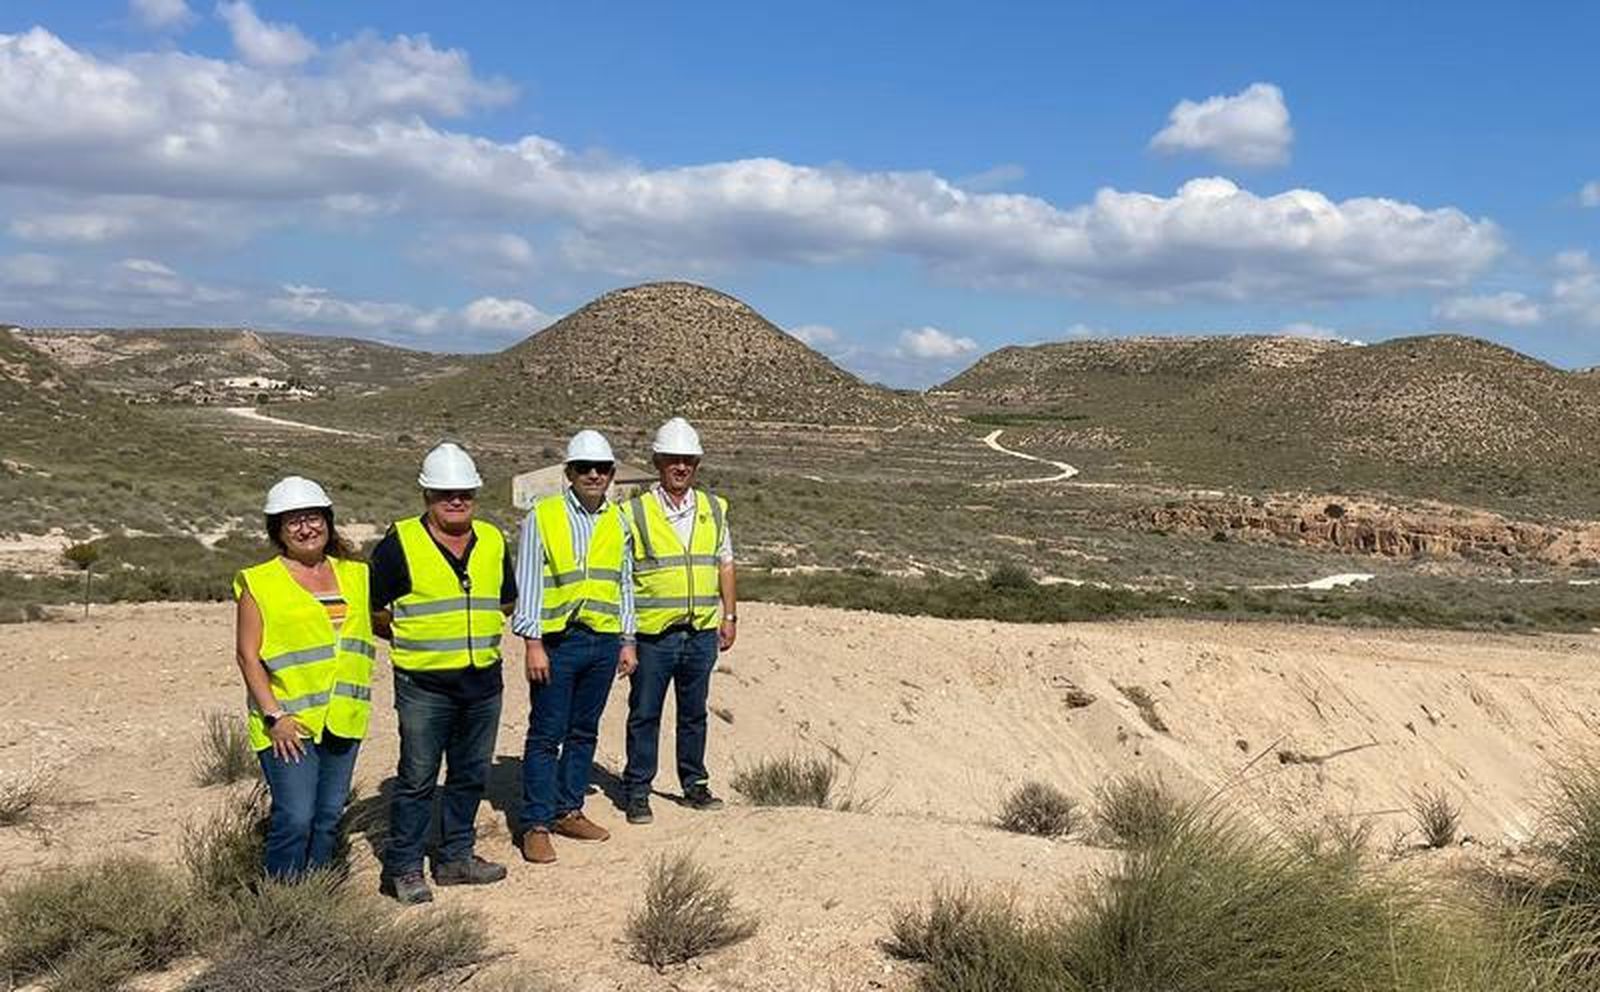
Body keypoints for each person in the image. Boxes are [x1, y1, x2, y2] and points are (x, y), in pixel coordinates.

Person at [369, 442, 517, 904]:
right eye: (443, 493)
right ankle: (405, 867)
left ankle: (456, 858)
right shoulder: (401, 542)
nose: (455, 500)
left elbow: (507, 599)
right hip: (425, 686)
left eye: (464, 493)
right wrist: (417, 640)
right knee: (416, 779)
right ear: (426, 496)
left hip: (482, 682)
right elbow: (375, 611)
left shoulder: (492, 540)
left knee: (470, 775)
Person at [233, 476, 375, 880]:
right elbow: (247, 656)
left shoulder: (358, 576)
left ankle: (315, 893)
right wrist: (275, 716)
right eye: (293, 521)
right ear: (278, 530)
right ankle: (281, 900)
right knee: (295, 816)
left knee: (328, 816)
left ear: (328, 522)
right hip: (288, 723)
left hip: (343, 716)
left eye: (313, 518)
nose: (305, 528)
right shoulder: (260, 582)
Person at [511, 429, 636, 864]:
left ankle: (569, 809)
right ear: (569, 472)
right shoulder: (542, 516)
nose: (594, 475)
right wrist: (533, 642)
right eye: (585, 468)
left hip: (602, 641)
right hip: (557, 641)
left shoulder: (618, 520)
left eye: (602, 468)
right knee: (546, 734)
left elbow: (623, 586)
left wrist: (627, 640)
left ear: (612, 474)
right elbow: (527, 582)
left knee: (584, 732)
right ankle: (537, 823)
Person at [618, 417, 737, 824]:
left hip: (701, 631)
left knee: (694, 713)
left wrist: (730, 614)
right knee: (645, 712)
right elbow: (622, 578)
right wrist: (626, 636)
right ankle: (637, 790)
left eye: (688, 460)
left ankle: (694, 785)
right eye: (673, 459)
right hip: (654, 635)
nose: (681, 467)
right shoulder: (632, 512)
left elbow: (725, 564)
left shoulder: (713, 508)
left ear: (697, 464)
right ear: (657, 461)